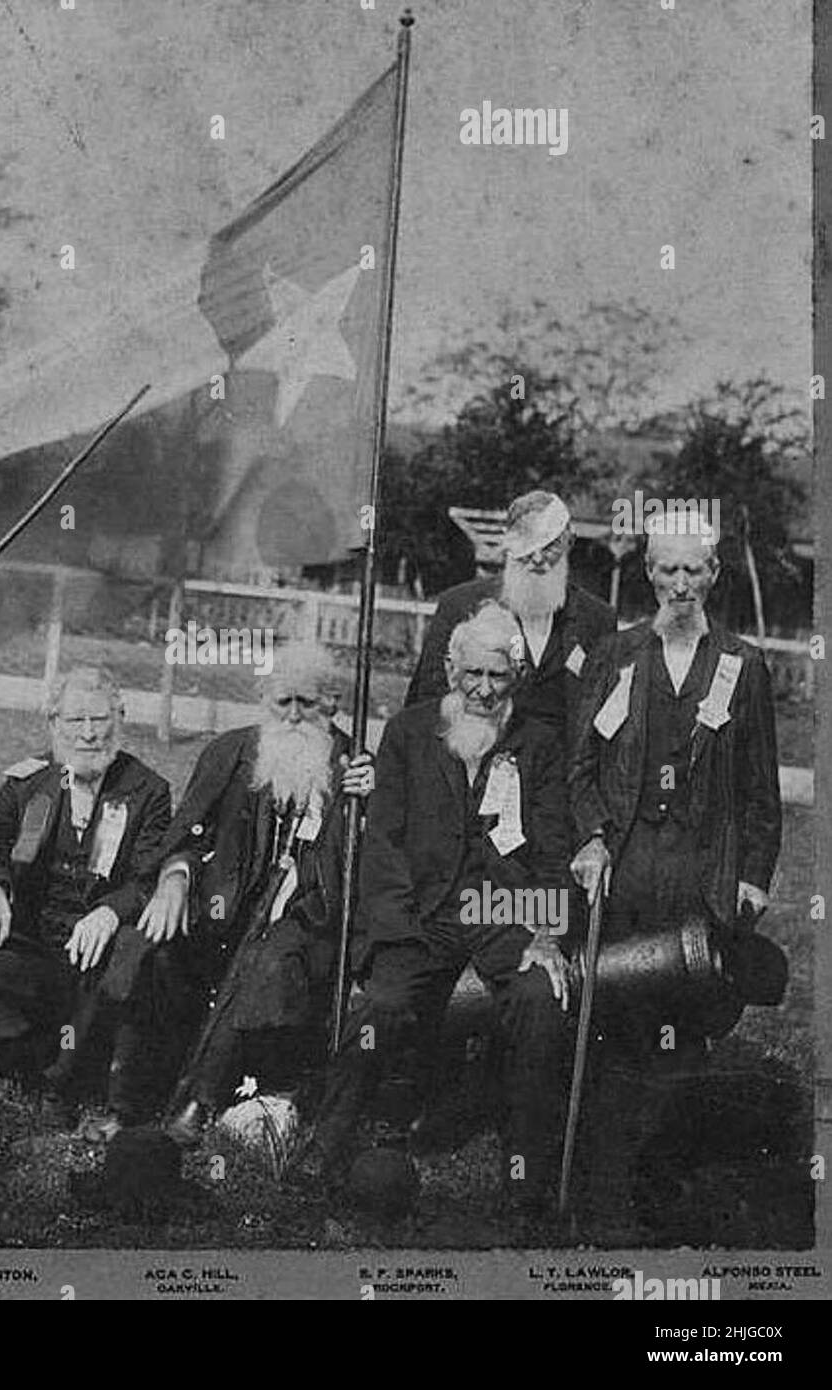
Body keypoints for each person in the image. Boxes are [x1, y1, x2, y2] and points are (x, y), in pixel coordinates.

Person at [304, 601, 573, 1221]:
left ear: (518, 677)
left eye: (497, 676)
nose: (482, 690)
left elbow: (554, 851)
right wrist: (395, 933)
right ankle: (327, 1145)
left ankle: (526, 1173)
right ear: (450, 669)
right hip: (423, 914)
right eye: (471, 674)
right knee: (383, 1007)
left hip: (505, 908)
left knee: (540, 1000)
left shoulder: (539, 744)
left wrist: (548, 935)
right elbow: (384, 842)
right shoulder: (408, 732)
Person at [568, 527, 782, 1229]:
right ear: (648, 576)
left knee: (686, 1027)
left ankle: (656, 1177)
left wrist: (751, 875)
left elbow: (759, 788)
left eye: (692, 571)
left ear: (714, 573)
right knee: (618, 1015)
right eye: (666, 571)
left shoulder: (740, 666)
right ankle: (599, 1183)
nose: (679, 585)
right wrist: (592, 838)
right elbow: (580, 771)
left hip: (702, 869)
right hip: (628, 865)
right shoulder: (617, 656)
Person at [0, 666, 174, 1139]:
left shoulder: (147, 791)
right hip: (32, 943)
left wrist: (109, 911)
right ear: (53, 723)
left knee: (133, 946)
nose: (89, 733)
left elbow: (149, 876)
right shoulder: (29, 782)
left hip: (96, 955)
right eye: (75, 721)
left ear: (120, 719)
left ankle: (66, 1084)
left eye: (100, 719)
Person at [133, 643, 373, 1148]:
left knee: (269, 960)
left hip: (306, 914)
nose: (291, 715)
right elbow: (184, 835)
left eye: (306, 703)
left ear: (330, 702)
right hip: (224, 906)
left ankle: (203, 1097)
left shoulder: (352, 766)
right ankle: (131, 1088)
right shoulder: (231, 751)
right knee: (158, 950)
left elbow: (356, 867)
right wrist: (174, 877)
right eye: (281, 701)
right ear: (264, 699)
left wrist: (365, 802)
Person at [405, 491, 617, 752]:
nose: (538, 559)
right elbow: (427, 701)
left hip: (558, 782)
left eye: (550, 545)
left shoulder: (596, 619)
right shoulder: (460, 606)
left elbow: (601, 718)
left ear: (569, 543)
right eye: (527, 545)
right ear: (508, 543)